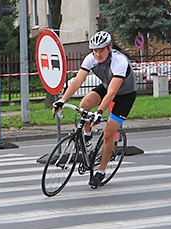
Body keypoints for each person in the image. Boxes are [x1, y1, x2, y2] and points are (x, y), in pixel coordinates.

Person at [53, 31, 136, 189]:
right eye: (95, 50)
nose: (97, 54)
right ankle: (87, 134)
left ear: (109, 48)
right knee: (84, 105)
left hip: (124, 95)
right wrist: (62, 100)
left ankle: (101, 171)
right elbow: (78, 81)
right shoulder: (91, 58)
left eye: (101, 50)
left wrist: (99, 112)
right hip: (106, 87)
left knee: (108, 133)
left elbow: (112, 92)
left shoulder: (119, 61)